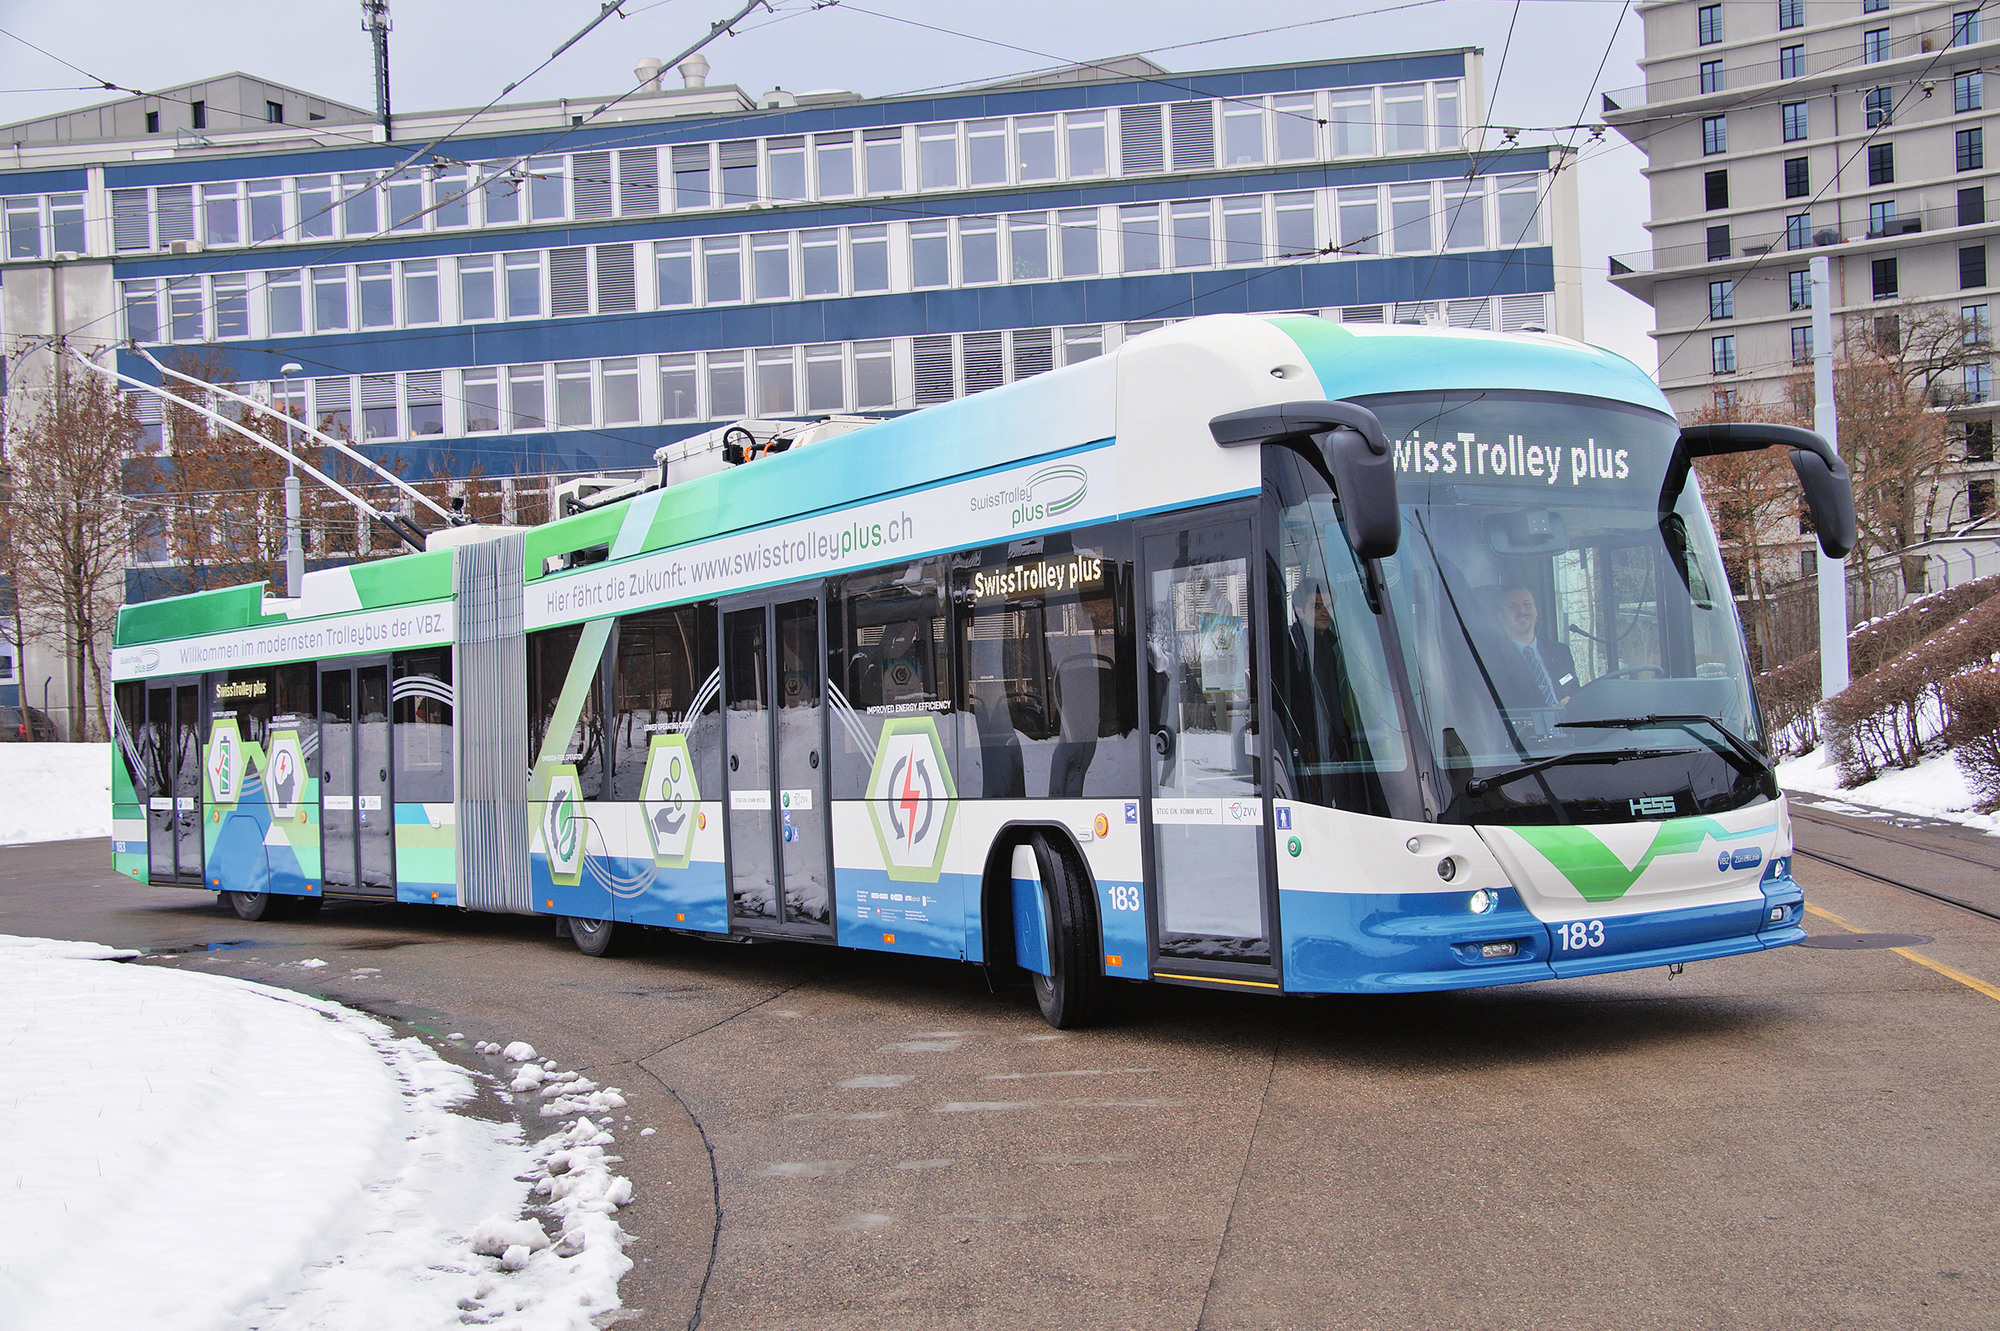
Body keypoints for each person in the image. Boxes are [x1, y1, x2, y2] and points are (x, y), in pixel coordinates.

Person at [1491, 584, 1577, 707]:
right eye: (1513, 606)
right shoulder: (1493, 660)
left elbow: (1575, 692)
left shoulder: (1560, 652)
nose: (1522, 611)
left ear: (1536, 611)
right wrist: (1550, 713)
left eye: (1527, 604)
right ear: (1500, 616)